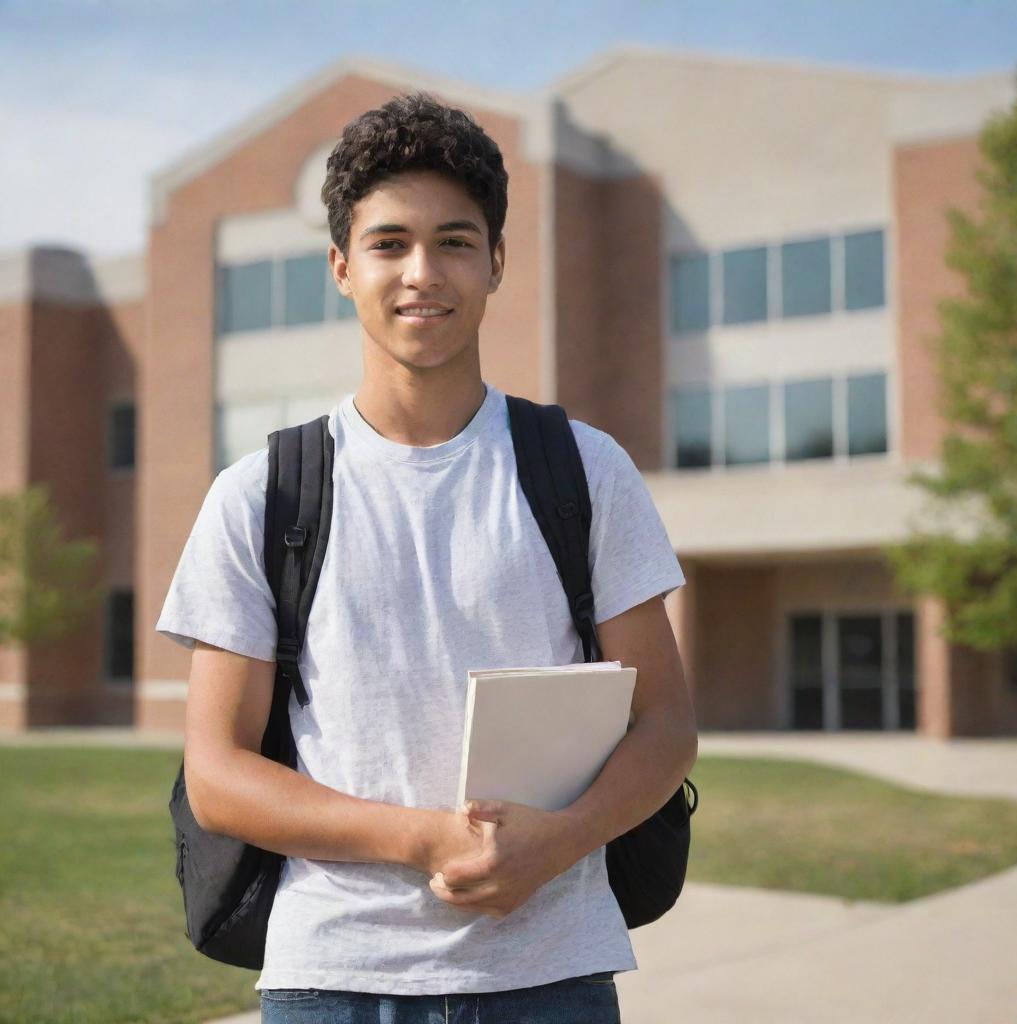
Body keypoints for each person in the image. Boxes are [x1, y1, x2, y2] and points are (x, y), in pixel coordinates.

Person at [156, 90, 698, 1024]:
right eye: (388, 243)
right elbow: (215, 773)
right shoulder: (262, 493)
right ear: (340, 266)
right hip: (333, 979)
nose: (422, 272)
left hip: (553, 975)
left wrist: (559, 842)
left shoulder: (584, 469)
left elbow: (667, 727)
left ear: (495, 263)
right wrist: (421, 839)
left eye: (454, 241)